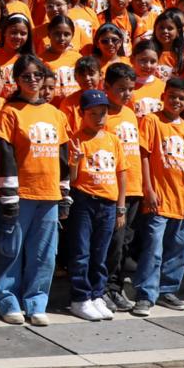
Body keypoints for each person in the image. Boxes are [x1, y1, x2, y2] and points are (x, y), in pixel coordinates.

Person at [0, 54, 69, 326]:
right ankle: (7, 299)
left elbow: (63, 156)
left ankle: (36, 302)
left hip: (49, 194)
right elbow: (4, 154)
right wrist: (8, 194)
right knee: (13, 249)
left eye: (38, 75)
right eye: (26, 76)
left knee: (44, 254)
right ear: (16, 80)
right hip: (21, 194)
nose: (33, 80)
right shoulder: (10, 112)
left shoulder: (56, 114)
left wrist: (65, 193)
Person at [131, 77, 184, 316]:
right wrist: (148, 189)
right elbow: (143, 155)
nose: (176, 101)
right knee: (153, 248)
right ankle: (145, 294)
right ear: (163, 97)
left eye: (182, 99)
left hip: (182, 201)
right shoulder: (152, 121)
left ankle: (168, 290)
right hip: (159, 200)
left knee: (179, 247)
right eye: (172, 96)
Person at [63, 89, 127, 321]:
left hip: (108, 203)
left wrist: (121, 206)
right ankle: (80, 298)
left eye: (103, 113)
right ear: (82, 114)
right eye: (93, 113)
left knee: (101, 253)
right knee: (82, 252)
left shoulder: (113, 140)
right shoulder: (76, 140)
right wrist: (74, 162)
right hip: (84, 201)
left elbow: (121, 173)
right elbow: (72, 180)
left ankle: (97, 294)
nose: (99, 118)